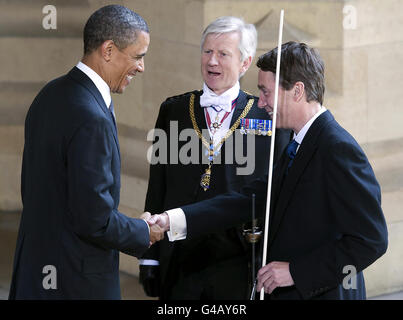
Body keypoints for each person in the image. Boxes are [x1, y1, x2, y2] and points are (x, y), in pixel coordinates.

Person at [147, 41, 388, 300]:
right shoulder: (299, 143)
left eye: (265, 92)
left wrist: (296, 272)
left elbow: (371, 240)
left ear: (297, 91)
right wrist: (173, 220)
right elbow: (249, 199)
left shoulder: (337, 148)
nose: (260, 103)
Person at [9, 5, 164, 300]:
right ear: (108, 50)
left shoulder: (50, 93)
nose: (142, 67)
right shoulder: (91, 117)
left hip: (35, 273)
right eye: (138, 56)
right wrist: (143, 231)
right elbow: (94, 221)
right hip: (75, 282)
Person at [139, 16, 290, 300]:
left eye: (223, 54)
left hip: (240, 258)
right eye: (207, 51)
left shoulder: (267, 116)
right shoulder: (174, 110)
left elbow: (278, 195)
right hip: (180, 255)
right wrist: (150, 257)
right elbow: (157, 185)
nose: (212, 62)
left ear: (245, 63)